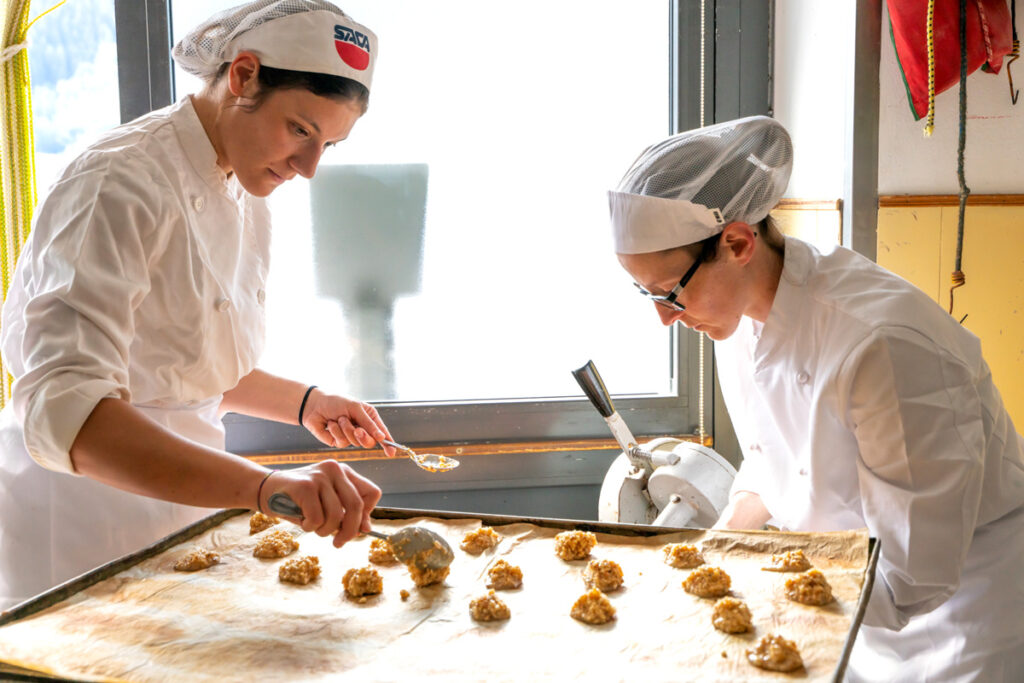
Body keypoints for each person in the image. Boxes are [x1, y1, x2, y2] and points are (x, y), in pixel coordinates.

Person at [0, 0, 399, 611]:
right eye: (300, 130)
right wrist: (265, 488)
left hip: (184, 509)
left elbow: (179, 366)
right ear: (242, 76)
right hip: (78, 523)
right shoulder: (116, 183)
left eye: (329, 145)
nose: (309, 167)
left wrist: (307, 404)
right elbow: (66, 412)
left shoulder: (244, 180)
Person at [608, 115, 1024, 681]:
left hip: (961, 618)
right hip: (848, 599)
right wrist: (720, 545)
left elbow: (911, 576)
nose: (663, 318)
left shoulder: (883, 345)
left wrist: (754, 576)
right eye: (646, 294)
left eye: (669, 293)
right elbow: (771, 456)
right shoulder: (737, 319)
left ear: (736, 243)